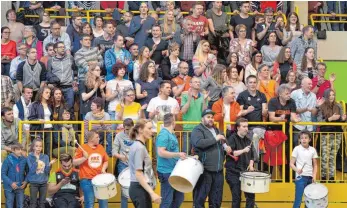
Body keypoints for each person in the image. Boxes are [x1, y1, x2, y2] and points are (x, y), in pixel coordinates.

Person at [190, 109, 230, 208]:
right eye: (208, 117)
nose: (211, 119)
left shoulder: (217, 130)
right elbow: (199, 143)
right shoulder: (197, 130)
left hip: (218, 170)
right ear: (202, 119)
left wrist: (226, 147)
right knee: (199, 199)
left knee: (216, 200)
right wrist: (216, 138)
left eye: (212, 117)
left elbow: (224, 142)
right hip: (204, 170)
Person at [128, 119, 161, 207]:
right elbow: (138, 173)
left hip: (138, 188)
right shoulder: (140, 148)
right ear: (140, 130)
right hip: (140, 189)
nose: (152, 131)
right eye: (149, 128)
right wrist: (152, 193)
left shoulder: (137, 145)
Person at [156, 113, 186, 208]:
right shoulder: (164, 134)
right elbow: (161, 152)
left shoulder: (170, 134)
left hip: (174, 171)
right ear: (173, 122)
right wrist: (177, 154)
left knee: (179, 198)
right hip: (166, 172)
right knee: (167, 201)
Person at [73, 130, 109, 208]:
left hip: (100, 180)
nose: (99, 138)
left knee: (104, 204)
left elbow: (106, 161)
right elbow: (74, 162)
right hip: (87, 180)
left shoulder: (101, 147)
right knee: (89, 203)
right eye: (97, 137)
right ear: (91, 139)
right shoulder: (82, 148)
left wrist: (103, 169)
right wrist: (84, 158)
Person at [225, 118, 256, 208]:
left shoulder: (248, 140)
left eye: (247, 126)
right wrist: (243, 150)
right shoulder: (232, 138)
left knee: (251, 196)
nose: (246, 129)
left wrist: (251, 165)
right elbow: (231, 153)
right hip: (233, 172)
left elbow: (252, 156)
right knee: (237, 197)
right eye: (244, 126)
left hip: (245, 173)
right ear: (238, 128)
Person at [317, 89, 346, 181]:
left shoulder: (338, 105)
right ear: (326, 96)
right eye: (330, 95)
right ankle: (324, 176)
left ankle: (332, 177)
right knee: (325, 156)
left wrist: (343, 118)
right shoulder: (321, 106)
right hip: (325, 134)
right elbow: (319, 122)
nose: (332, 97)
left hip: (337, 133)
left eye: (333, 95)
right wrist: (330, 119)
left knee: (333, 156)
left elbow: (341, 119)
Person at [290, 130, 318, 208]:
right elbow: (291, 164)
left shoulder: (313, 150)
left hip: (310, 177)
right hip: (300, 178)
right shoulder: (296, 149)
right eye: (302, 138)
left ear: (310, 139)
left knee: (309, 201)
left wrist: (314, 176)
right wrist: (297, 170)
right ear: (299, 140)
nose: (304, 139)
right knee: (298, 200)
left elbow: (315, 165)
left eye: (306, 138)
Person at [181, 77, 209, 153]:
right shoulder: (185, 95)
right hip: (188, 129)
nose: (198, 83)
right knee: (186, 152)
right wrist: (189, 99)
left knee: (199, 153)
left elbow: (204, 112)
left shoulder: (203, 96)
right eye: (196, 82)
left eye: (199, 82)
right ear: (190, 84)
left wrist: (204, 99)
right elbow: (183, 111)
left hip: (200, 128)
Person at [290, 78, 321, 146]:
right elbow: (293, 110)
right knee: (297, 146)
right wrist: (306, 109)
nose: (311, 86)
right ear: (302, 84)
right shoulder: (295, 93)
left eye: (311, 84)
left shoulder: (313, 96)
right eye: (309, 84)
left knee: (309, 148)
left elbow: (313, 113)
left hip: (309, 127)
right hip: (297, 126)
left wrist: (317, 107)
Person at [26, 138, 56, 208]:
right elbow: (31, 170)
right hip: (33, 183)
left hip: (43, 183)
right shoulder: (29, 157)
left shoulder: (45, 157)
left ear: (42, 147)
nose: (38, 148)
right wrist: (37, 160)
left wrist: (49, 164)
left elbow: (46, 171)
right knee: (33, 203)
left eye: (40, 146)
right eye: (36, 146)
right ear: (33, 147)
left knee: (42, 204)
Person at [112, 118, 135, 208]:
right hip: (123, 165)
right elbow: (114, 152)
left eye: (130, 129)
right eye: (126, 129)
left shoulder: (138, 135)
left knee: (136, 190)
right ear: (123, 128)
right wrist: (121, 156)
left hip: (134, 165)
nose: (128, 131)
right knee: (124, 191)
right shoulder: (119, 136)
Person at [47, 41, 75, 110]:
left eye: (63, 47)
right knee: (56, 108)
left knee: (69, 107)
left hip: (69, 87)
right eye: (61, 47)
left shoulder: (70, 58)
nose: (63, 49)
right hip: (57, 87)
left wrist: (75, 82)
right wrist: (49, 83)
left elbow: (75, 70)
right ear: (55, 49)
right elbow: (48, 74)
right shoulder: (51, 60)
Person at [28, 87, 53, 157]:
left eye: (49, 93)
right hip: (39, 130)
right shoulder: (34, 104)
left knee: (48, 150)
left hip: (49, 129)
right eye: (47, 92)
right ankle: (36, 166)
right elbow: (30, 119)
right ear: (41, 93)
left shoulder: (50, 105)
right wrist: (38, 120)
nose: (48, 94)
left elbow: (50, 118)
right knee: (38, 150)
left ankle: (47, 166)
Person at [1, 143, 27, 208]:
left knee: (20, 205)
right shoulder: (7, 160)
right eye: (18, 149)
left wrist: (26, 182)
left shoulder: (24, 159)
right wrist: (11, 183)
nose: (20, 151)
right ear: (12, 150)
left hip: (20, 187)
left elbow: (28, 172)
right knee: (9, 205)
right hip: (9, 188)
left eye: (21, 149)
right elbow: (3, 174)